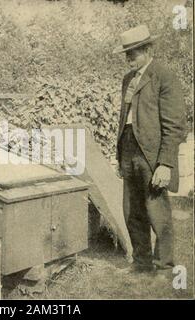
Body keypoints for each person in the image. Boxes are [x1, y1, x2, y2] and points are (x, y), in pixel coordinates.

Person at [113, 25, 187, 275]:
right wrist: (120, 156)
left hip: (153, 155)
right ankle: (141, 263)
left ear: (147, 49)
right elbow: (126, 120)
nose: (128, 58)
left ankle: (164, 267)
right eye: (126, 53)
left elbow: (175, 124)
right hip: (129, 151)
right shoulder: (127, 79)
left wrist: (165, 163)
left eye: (133, 52)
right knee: (132, 210)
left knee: (157, 212)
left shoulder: (164, 76)